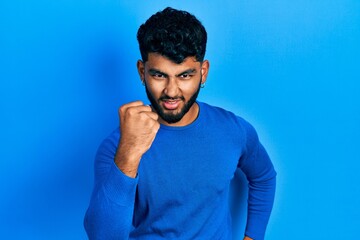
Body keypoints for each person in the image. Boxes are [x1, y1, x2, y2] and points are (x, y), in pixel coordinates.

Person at [84, 7, 276, 240]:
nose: (171, 91)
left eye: (184, 75)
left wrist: (253, 237)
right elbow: (103, 236)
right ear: (142, 72)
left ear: (203, 72)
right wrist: (129, 153)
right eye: (159, 75)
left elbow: (264, 177)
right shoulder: (116, 148)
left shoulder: (234, 130)